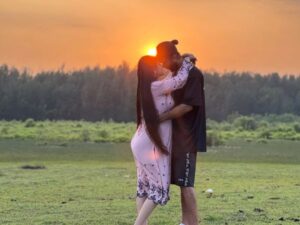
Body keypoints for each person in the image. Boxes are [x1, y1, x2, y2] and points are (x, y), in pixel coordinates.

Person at [130, 55, 194, 225]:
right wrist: (186, 62)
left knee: (143, 187)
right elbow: (180, 80)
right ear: (151, 69)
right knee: (160, 188)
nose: (161, 65)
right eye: (157, 64)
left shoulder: (146, 87)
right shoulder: (157, 87)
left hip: (140, 141)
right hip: (149, 144)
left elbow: (171, 77)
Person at [156, 40, 207, 225]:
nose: (164, 66)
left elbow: (187, 106)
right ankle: (185, 222)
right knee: (181, 182)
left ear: (174, 57)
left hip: (188, 137)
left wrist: (161, 118)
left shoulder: (194, 75)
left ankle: (192, 223)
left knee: (186, 183)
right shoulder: (180, 71)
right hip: (177, 136)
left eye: (165, 61)